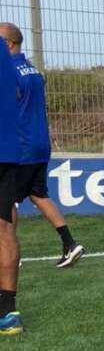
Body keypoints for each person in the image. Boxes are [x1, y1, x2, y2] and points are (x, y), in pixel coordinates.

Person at [0, 24, 84, 269]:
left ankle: (8, 254)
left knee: (7, 202)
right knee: (39, 195)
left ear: (8, 44)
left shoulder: (8, 70)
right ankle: (69, 243)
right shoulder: (34, 71)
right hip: (40, 144)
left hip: (20, 146)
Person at [0, 37, 22, 335]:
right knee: (5, 229)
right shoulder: (3, 51)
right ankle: (7, 313)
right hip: (6, 151)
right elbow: (16, 91)